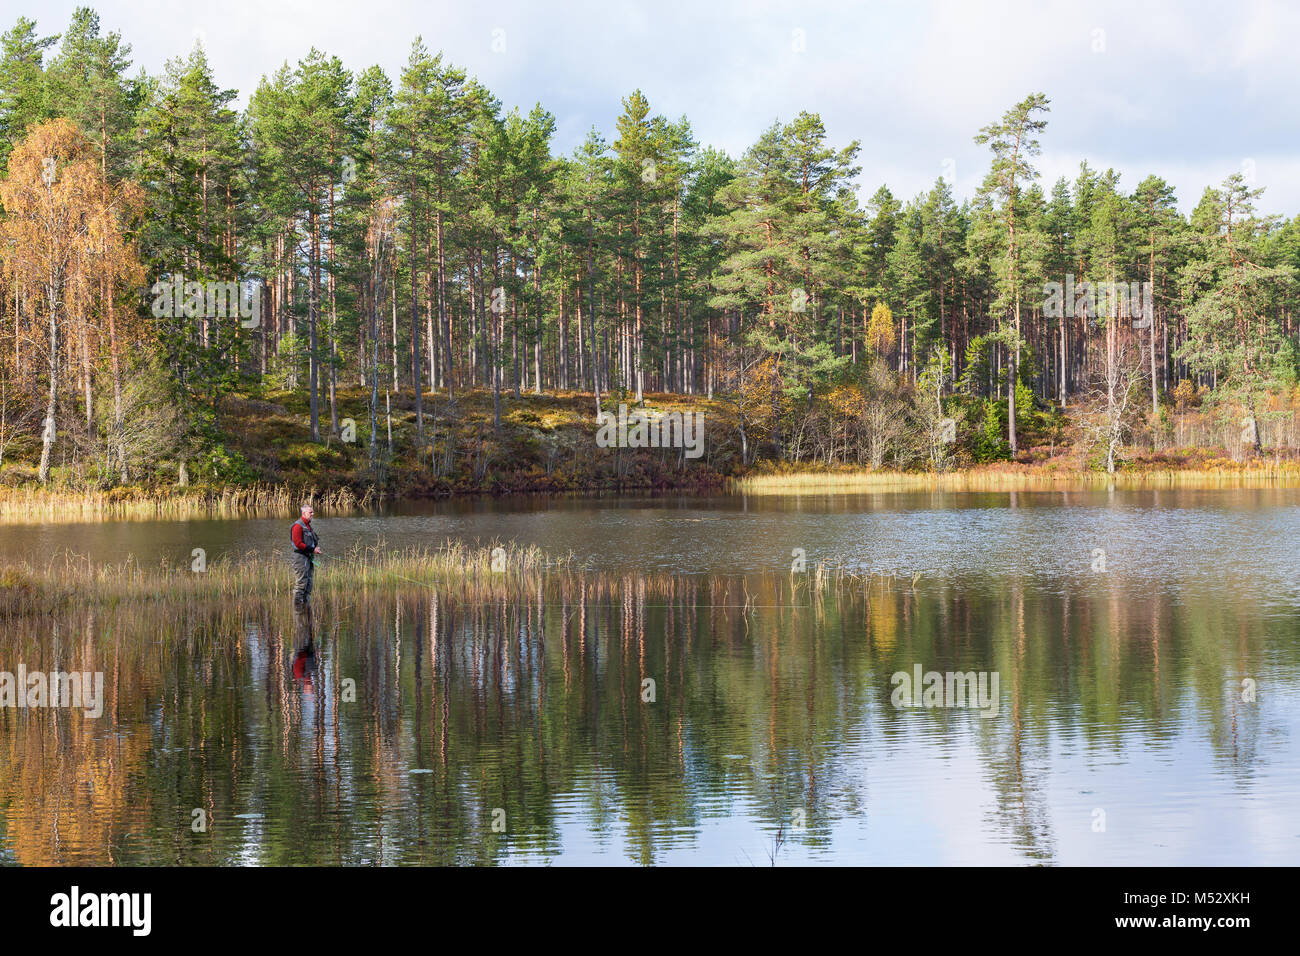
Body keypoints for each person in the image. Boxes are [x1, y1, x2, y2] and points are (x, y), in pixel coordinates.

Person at [289, 504, 322, 606]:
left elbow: (310, 541)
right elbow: (298, 544)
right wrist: (313, 549)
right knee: (301, 584)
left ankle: (306, 608)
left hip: (308, 558)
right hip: (300, 558)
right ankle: (298, 609)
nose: (313, 514)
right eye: (310, 512)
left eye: (312, 512)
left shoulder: (308, 525)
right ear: (303, 513)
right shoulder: (297, 526)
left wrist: (315, 548)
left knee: (309, 583)